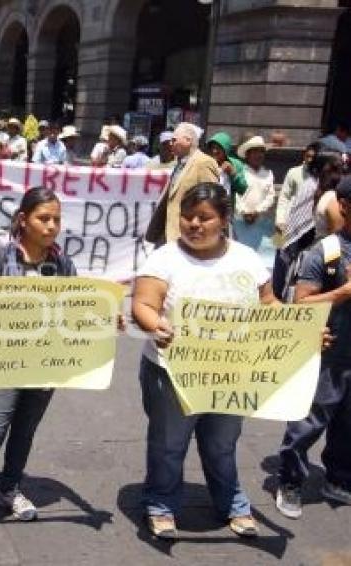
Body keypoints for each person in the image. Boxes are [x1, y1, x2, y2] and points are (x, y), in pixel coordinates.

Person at [0, 187, 90, 540]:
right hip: (2, 362)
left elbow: (75, 308)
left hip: (43, 364)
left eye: (56, 219)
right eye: (44, 218)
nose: (52, 226)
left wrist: (102, 321)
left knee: (24, 431)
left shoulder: (62, 264)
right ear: (23, 220)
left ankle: (7, 488)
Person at [132, 182, 270, 539]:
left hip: (231, 372)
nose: (194, 224)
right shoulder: (164, 258)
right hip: (172, 371)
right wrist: (154, 323)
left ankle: (233, 504)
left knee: (223, 442)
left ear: (224, 219)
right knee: (169, 442)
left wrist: (304, 334)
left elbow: (270, 307)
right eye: (187, 216)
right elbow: (143, 304)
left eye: (204, 217)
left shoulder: (247, 258)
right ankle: (161, 504)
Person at [274, 175, 351, 520]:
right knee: (313, 417)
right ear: (345, 206)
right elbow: (300, 305)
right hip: (331, 350)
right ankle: (290, 480)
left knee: (348, 423)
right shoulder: (326, 251)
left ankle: (338, 479)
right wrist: (341, 294)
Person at [273, 151, 344, 300]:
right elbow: (284, 198)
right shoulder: (329, 197)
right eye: (338, 169)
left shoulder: (316, 187)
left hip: (310, 245)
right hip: (322, 254)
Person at [144, 122, 220, 246]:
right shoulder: (180, 164)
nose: (170, 143)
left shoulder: (203, 162)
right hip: (170, 234)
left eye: (174, 140)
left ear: (188, 140)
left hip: (190, 236)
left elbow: (211, 202)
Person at [232, 136, 276, 257]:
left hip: (260, 222)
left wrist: (257, 211)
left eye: (261, 152)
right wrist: (244, 212)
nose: (259, 155)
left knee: (260, 257)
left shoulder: (268, 174)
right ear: (247, 154)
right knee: (240, 255)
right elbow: (235, 195)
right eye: (255, 152)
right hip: (240, 221)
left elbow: (270, 197)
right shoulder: (240, 172)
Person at [276, 143, 319, 235]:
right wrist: (280, 220)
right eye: (308, 156)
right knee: (279, 246)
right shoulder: (293, 172)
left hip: (310, 223)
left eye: (313, 157)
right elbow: (284, 197)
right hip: (289, 220)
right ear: (304, 155)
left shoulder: (320, 176)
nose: (310, 160)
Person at [207, 132, 248, 202]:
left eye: (218, 148)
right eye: (212, 148)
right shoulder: (205, 163)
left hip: (227, 208)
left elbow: (243, 189)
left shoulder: (236, 164)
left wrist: (233, 174)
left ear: (226, 150)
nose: (214, 151)